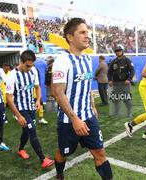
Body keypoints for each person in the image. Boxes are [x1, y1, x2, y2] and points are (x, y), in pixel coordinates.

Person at [52, 18, 113, 180]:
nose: (88, 36)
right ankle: (59, 174)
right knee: (64, 152)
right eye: (83, 32)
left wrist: (93, 106)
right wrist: (74, 119)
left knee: (99, 153)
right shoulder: (62, 61)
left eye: (88, 32)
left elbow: (86, 87)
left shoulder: (87, 59)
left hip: (88, 116)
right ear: (70, 37)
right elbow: (58, 93)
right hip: (68, 120)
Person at [5, 50, 54, 169]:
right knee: (32, 132)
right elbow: (9, 98)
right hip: (21, 109)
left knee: (26, 131)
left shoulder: (33, 71)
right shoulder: (12, 75)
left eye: (32, 65)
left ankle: (20, 149)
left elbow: (37, 88)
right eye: (27, 65)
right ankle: (43, 159)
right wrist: (18, 115)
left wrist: (38, 101)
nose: (30, 68)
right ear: (21, 62)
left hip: (31, 107)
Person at [108, 45, 135, 117]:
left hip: (125, 83)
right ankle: (116, 112)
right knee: (116, 98)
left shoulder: (127, 60)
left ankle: (129, 112)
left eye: (119, 51)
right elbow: (109, 72)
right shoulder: (113, 62)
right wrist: (110, 80)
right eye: (116, 51)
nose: (118, 52)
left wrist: (129, 79)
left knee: (126, 98)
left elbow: (132, 70)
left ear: (122, 51)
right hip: (116, 83)